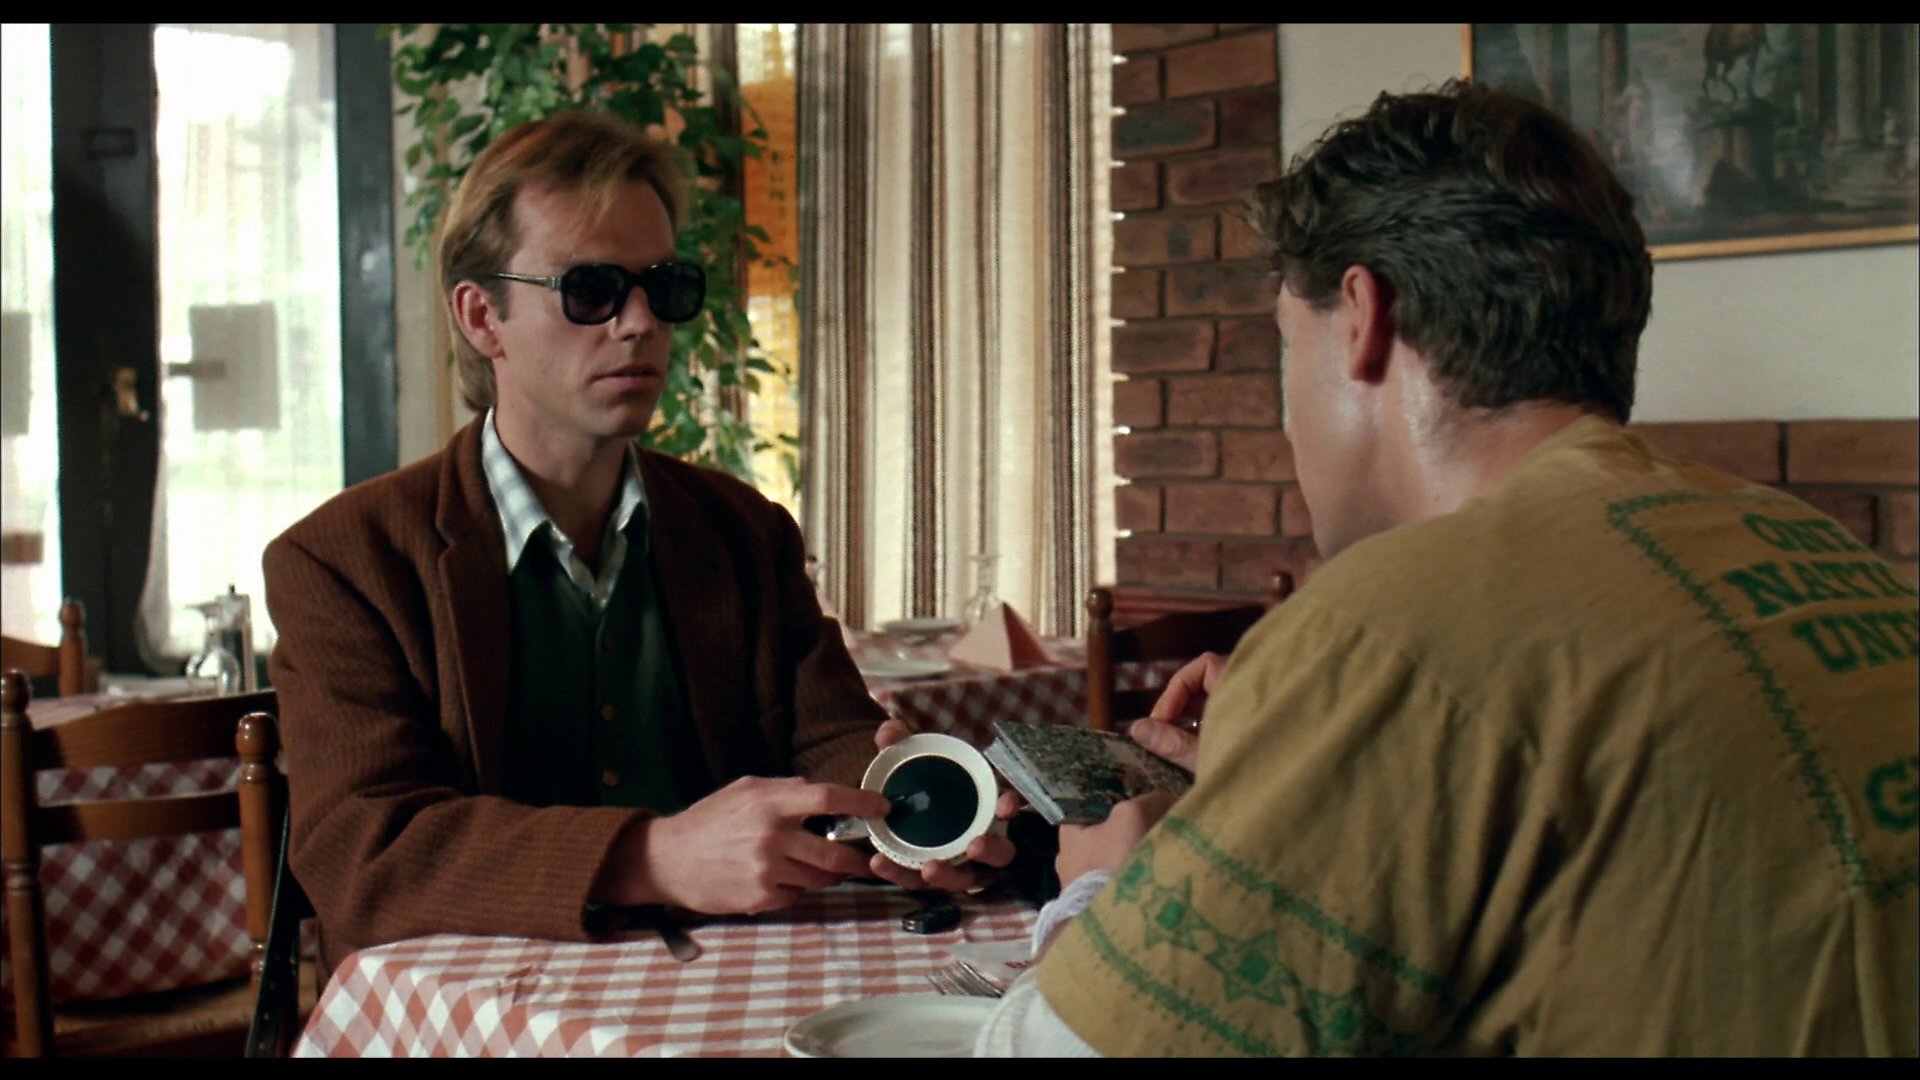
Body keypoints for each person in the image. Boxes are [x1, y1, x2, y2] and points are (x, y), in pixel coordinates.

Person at [977, 79, 1918, 1056]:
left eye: (1287, 347)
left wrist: (1104, 889)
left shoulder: (1389, 625)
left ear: (1362, 318)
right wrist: (1291, 776)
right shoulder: (1813, 549)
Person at [264, 109, 1006, 975]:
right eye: (591, 290)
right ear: (482, 317)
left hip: (720, 983)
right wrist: (652, 856)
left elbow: (832, 741)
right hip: (467, 1007)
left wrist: (916, 819)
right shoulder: (344, 560)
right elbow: (362, 849)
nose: (640, 322)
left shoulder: (743, 531)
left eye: (665, 287)